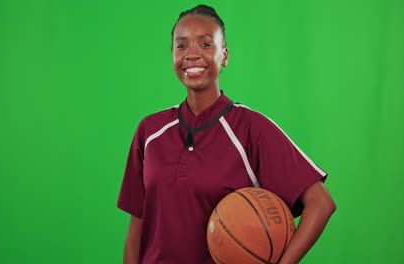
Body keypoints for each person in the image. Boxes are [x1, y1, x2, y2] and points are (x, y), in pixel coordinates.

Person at [117, 4, 336, 264]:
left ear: (225, 55)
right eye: (181, 45)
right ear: (172, 56)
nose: (192, 54)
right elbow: (136, 230)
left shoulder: (252, 129)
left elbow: (321, 204)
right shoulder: (149, 131)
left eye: (206, 44)